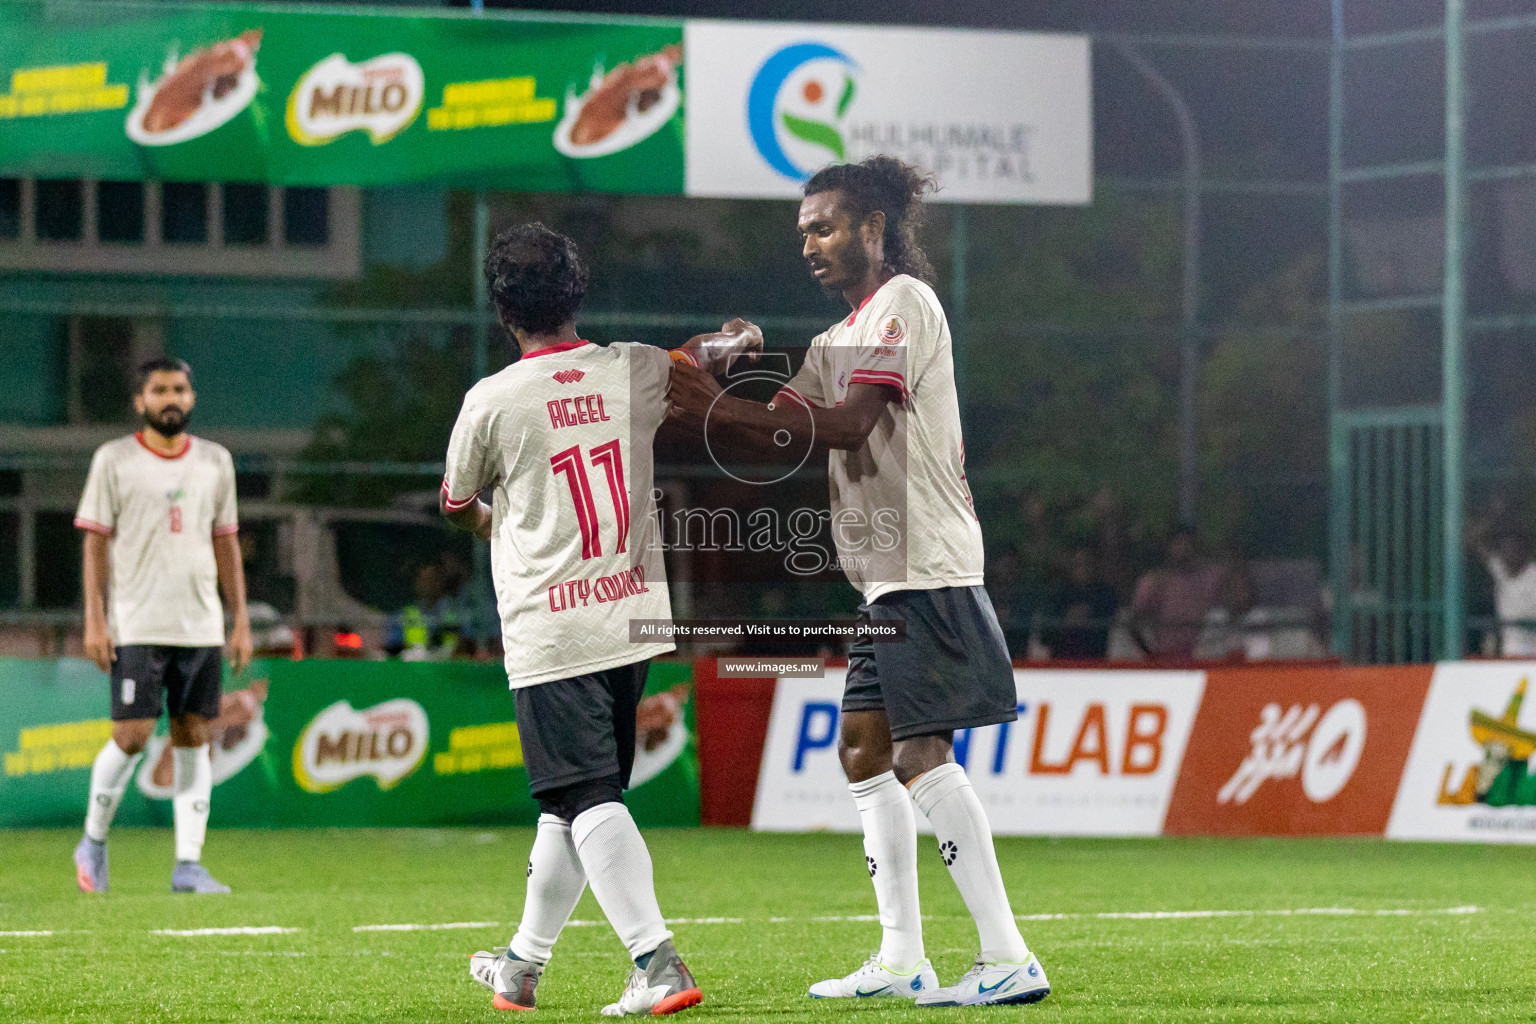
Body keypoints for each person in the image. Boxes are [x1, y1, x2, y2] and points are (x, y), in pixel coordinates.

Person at [668, 156, 1049, 1007]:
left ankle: (1008, 955)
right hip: (883, 580)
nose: (810, 242)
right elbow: (776, 433)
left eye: (826, 225)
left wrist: (711, 404)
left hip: (927, 566)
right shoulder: (833, 342)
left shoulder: (903, 305)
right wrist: (713, 378)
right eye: (803, 230)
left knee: (918, 755)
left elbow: (844, 426)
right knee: (863, 752)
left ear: (874, 229)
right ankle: (902, 957)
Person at [440, 222, 758, 1015]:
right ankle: (521, 964)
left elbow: (456, 503)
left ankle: (657, 962)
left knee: (585, 795)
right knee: (574, 798)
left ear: (502, 309)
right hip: (635, 617)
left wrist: (492, 523)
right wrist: (730, 340)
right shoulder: (633, 369)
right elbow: (692, 358)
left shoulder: (492, 400)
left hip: (554, 625)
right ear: (577, 293)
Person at [71, 356, 252, 895]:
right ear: (140, 400)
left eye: (179, 389)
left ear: (191, 398)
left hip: (199, 625)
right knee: (130, 736)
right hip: (136, 622)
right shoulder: (114, 460)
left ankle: (188, 865)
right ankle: (93, 841)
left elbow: (226, 543)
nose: (170, 398)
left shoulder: (216, 461)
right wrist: (95, 618)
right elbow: (94, 543)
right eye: (159, 390)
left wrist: (239, 618)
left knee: (194, 736)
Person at [1128, 526, 1228, 660]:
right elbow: (1134, 623)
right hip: (1165, 657)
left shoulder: (1210, 577)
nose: (1184, 549)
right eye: (1178, 543)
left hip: (1203, 657)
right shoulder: (1153, 582)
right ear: (1168, 547)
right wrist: (1151, 655)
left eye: (1188, 543)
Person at [1040, 549, 1119, 660]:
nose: (1083, 569)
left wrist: (1089, 618)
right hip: (1060, 664)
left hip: (1096, 663)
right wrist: (1065, 621)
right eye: (1078, 564)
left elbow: (1109, 627)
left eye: (1088, 564)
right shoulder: (1059, 595)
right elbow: (1044, 636)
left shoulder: (1106, 594)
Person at [1474, 526, 1536, 657]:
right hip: (1509, 648)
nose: (1509, 554)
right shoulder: (1500, 569)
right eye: (1505, 550)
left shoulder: (1533, 574)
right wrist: (1494, 515)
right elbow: (1475, 542)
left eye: (1514, 549)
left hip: (1532, 645)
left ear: (1524, 551)